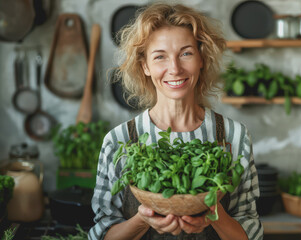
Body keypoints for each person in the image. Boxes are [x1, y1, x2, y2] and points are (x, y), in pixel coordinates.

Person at [88, 3, 263, 240]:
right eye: (160, 56)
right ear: (145, 66)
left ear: (201, 58)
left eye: (186, 53)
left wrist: (215, 214)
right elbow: (101, 235)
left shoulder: (234, 136)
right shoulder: (118, 141)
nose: (175, 68)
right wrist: (143, 219)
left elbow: (250, 233)